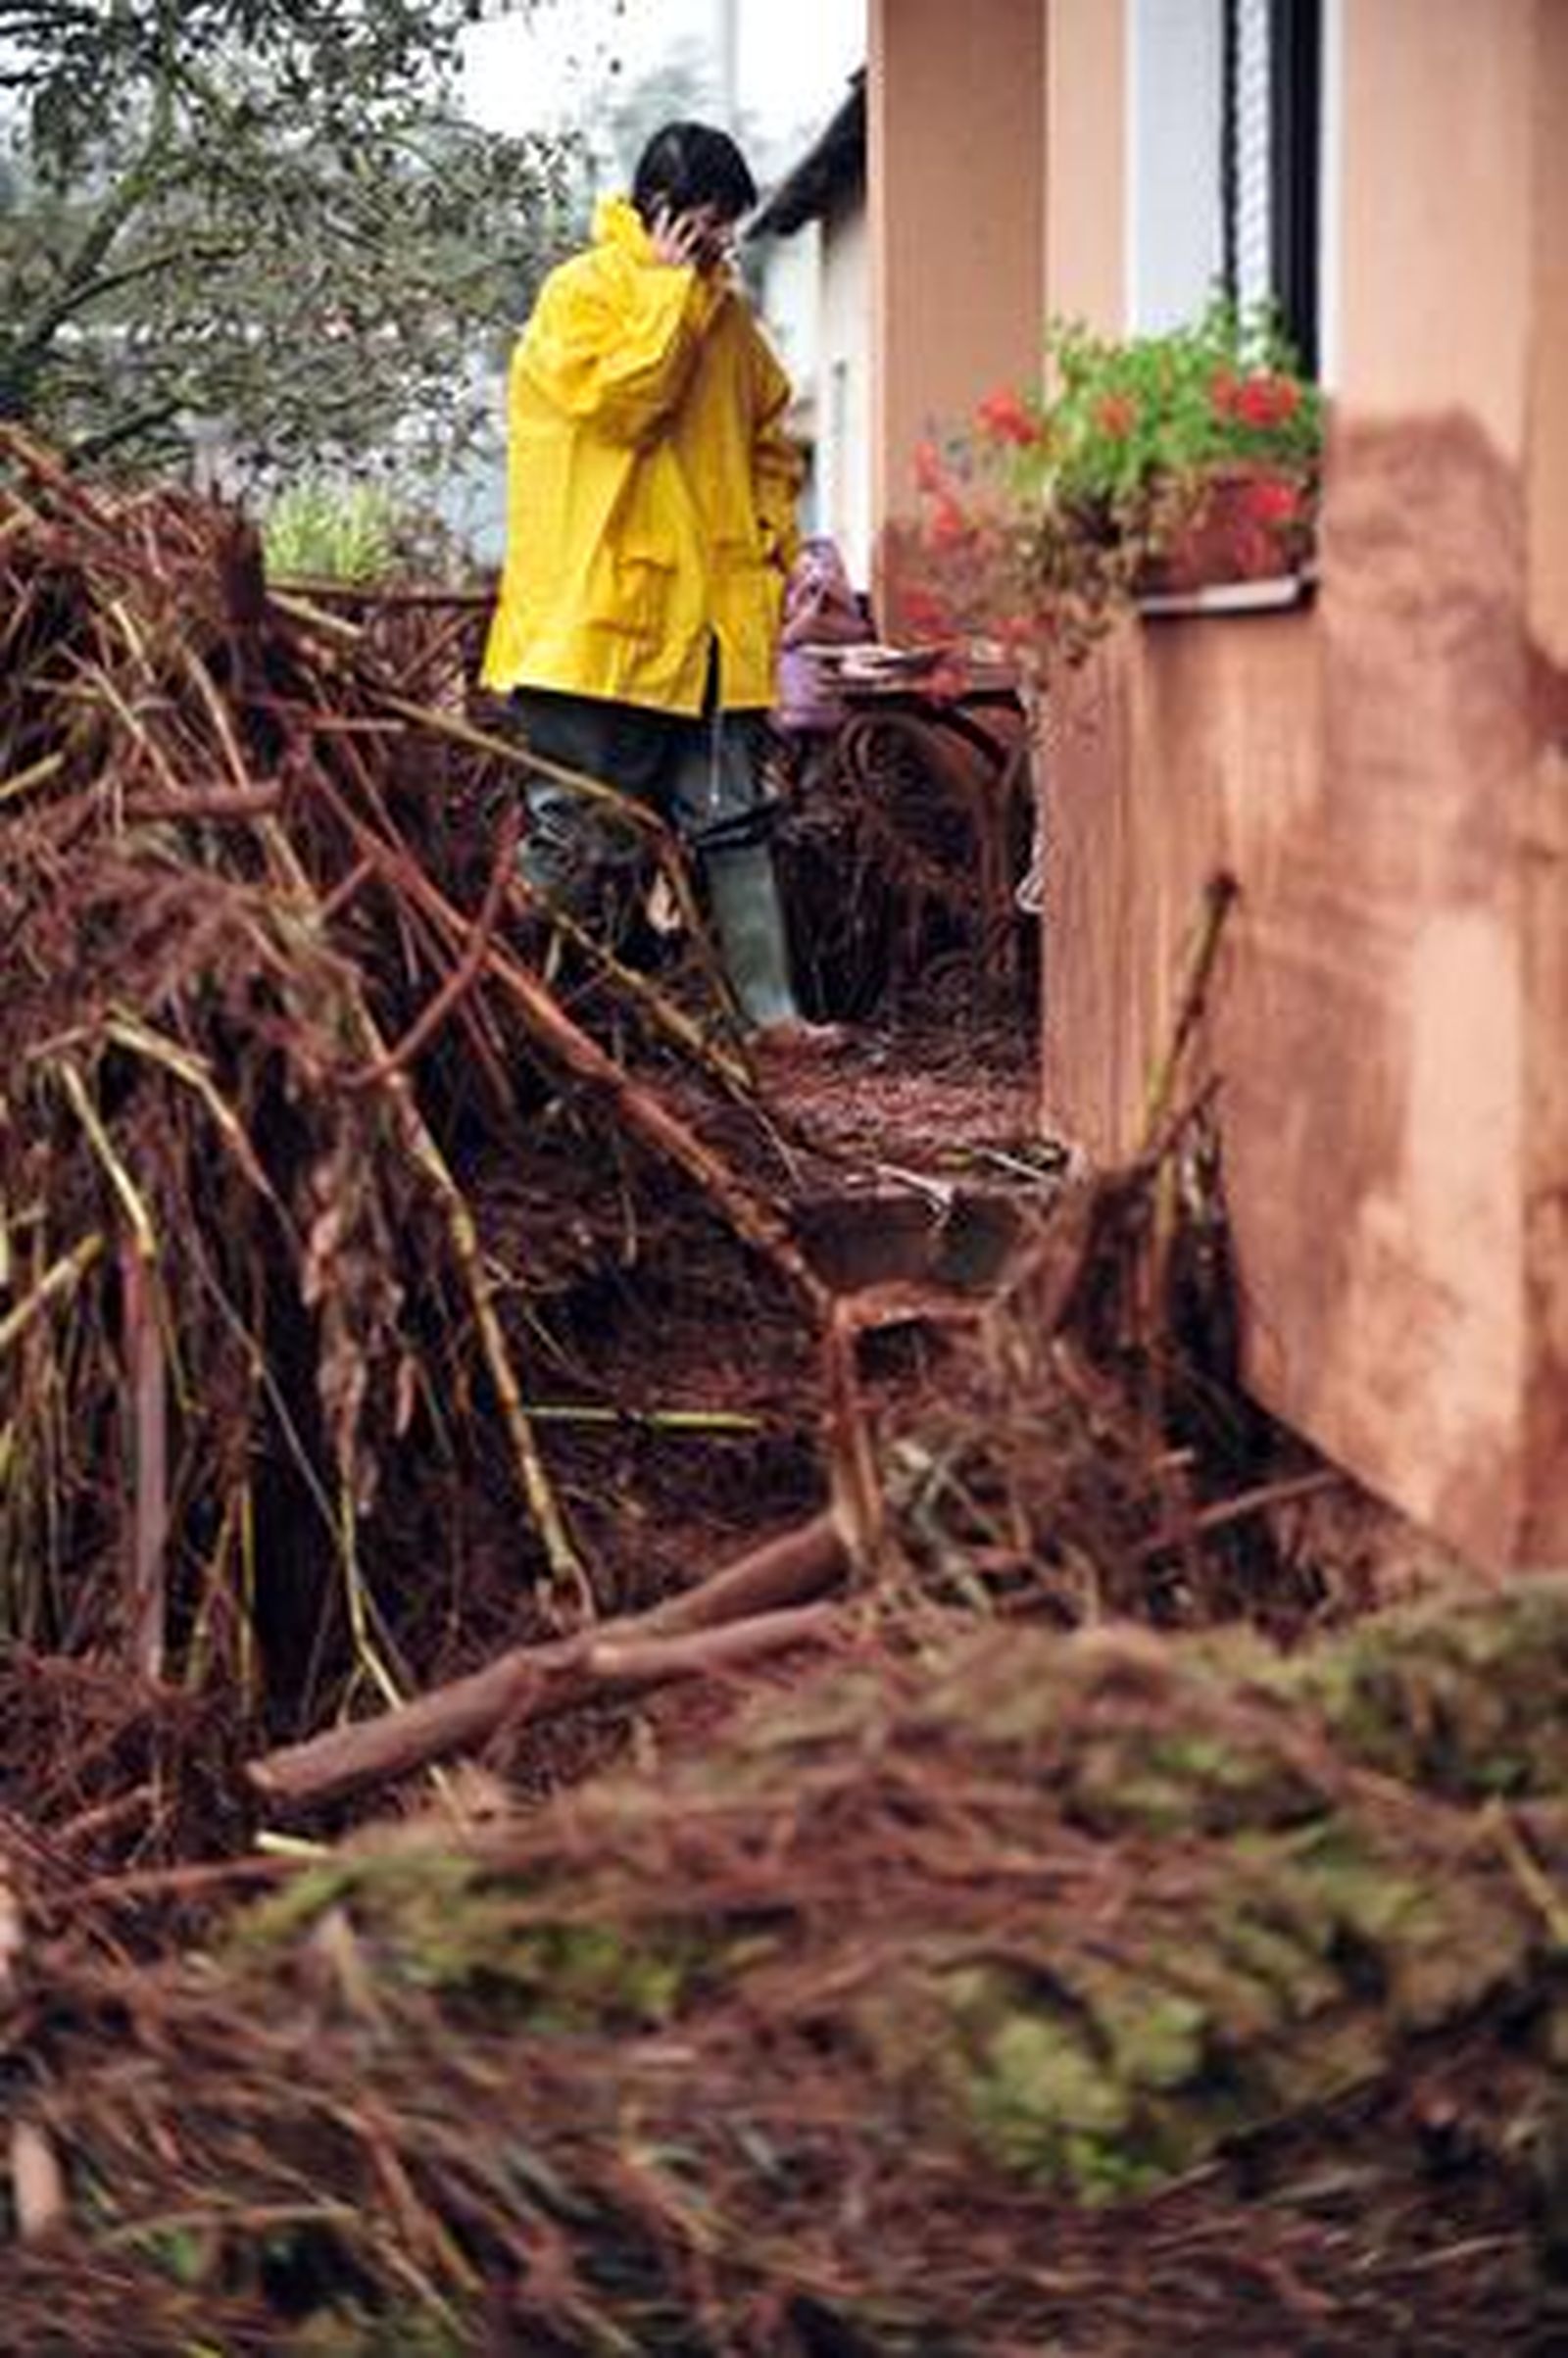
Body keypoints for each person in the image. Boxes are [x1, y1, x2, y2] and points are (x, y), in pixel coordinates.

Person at [481, 121, 818, 1041]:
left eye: (729, 230)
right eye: (710, 225)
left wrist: (768, 546)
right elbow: (622, 407)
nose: (721, 247)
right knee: (574, 834)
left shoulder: (729, 320)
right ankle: (509, 1016)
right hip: (599, 631)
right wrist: (668, 294)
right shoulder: (579, 298)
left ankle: (772, 1018)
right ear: (665, 213)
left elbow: (769, 443)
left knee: (735, 821)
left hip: (709, 633)